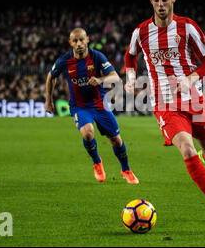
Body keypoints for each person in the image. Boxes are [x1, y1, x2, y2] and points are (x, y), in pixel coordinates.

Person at [124, 0, 205, 222]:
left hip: (193, 99)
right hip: (164, 103)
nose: (161, 4)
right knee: (186, 148)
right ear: (150, 0)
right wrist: (131, 77)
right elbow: (129, 55)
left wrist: (192, 77)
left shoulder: (187, 27)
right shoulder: (141, 32)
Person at [45, 28, 139, 184]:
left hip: (99, 104)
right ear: (70, 43)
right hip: (79, 106)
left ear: (87, 39)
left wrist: (101, 80)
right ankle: (97, 163)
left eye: (81, 40)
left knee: (115, 139)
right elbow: (51, 77)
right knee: (88, 133)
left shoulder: (97, 57)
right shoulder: (65, 60)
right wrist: (48, 99)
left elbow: (115, 76)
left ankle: (126, 170)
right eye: (75, 41)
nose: (79, 44)